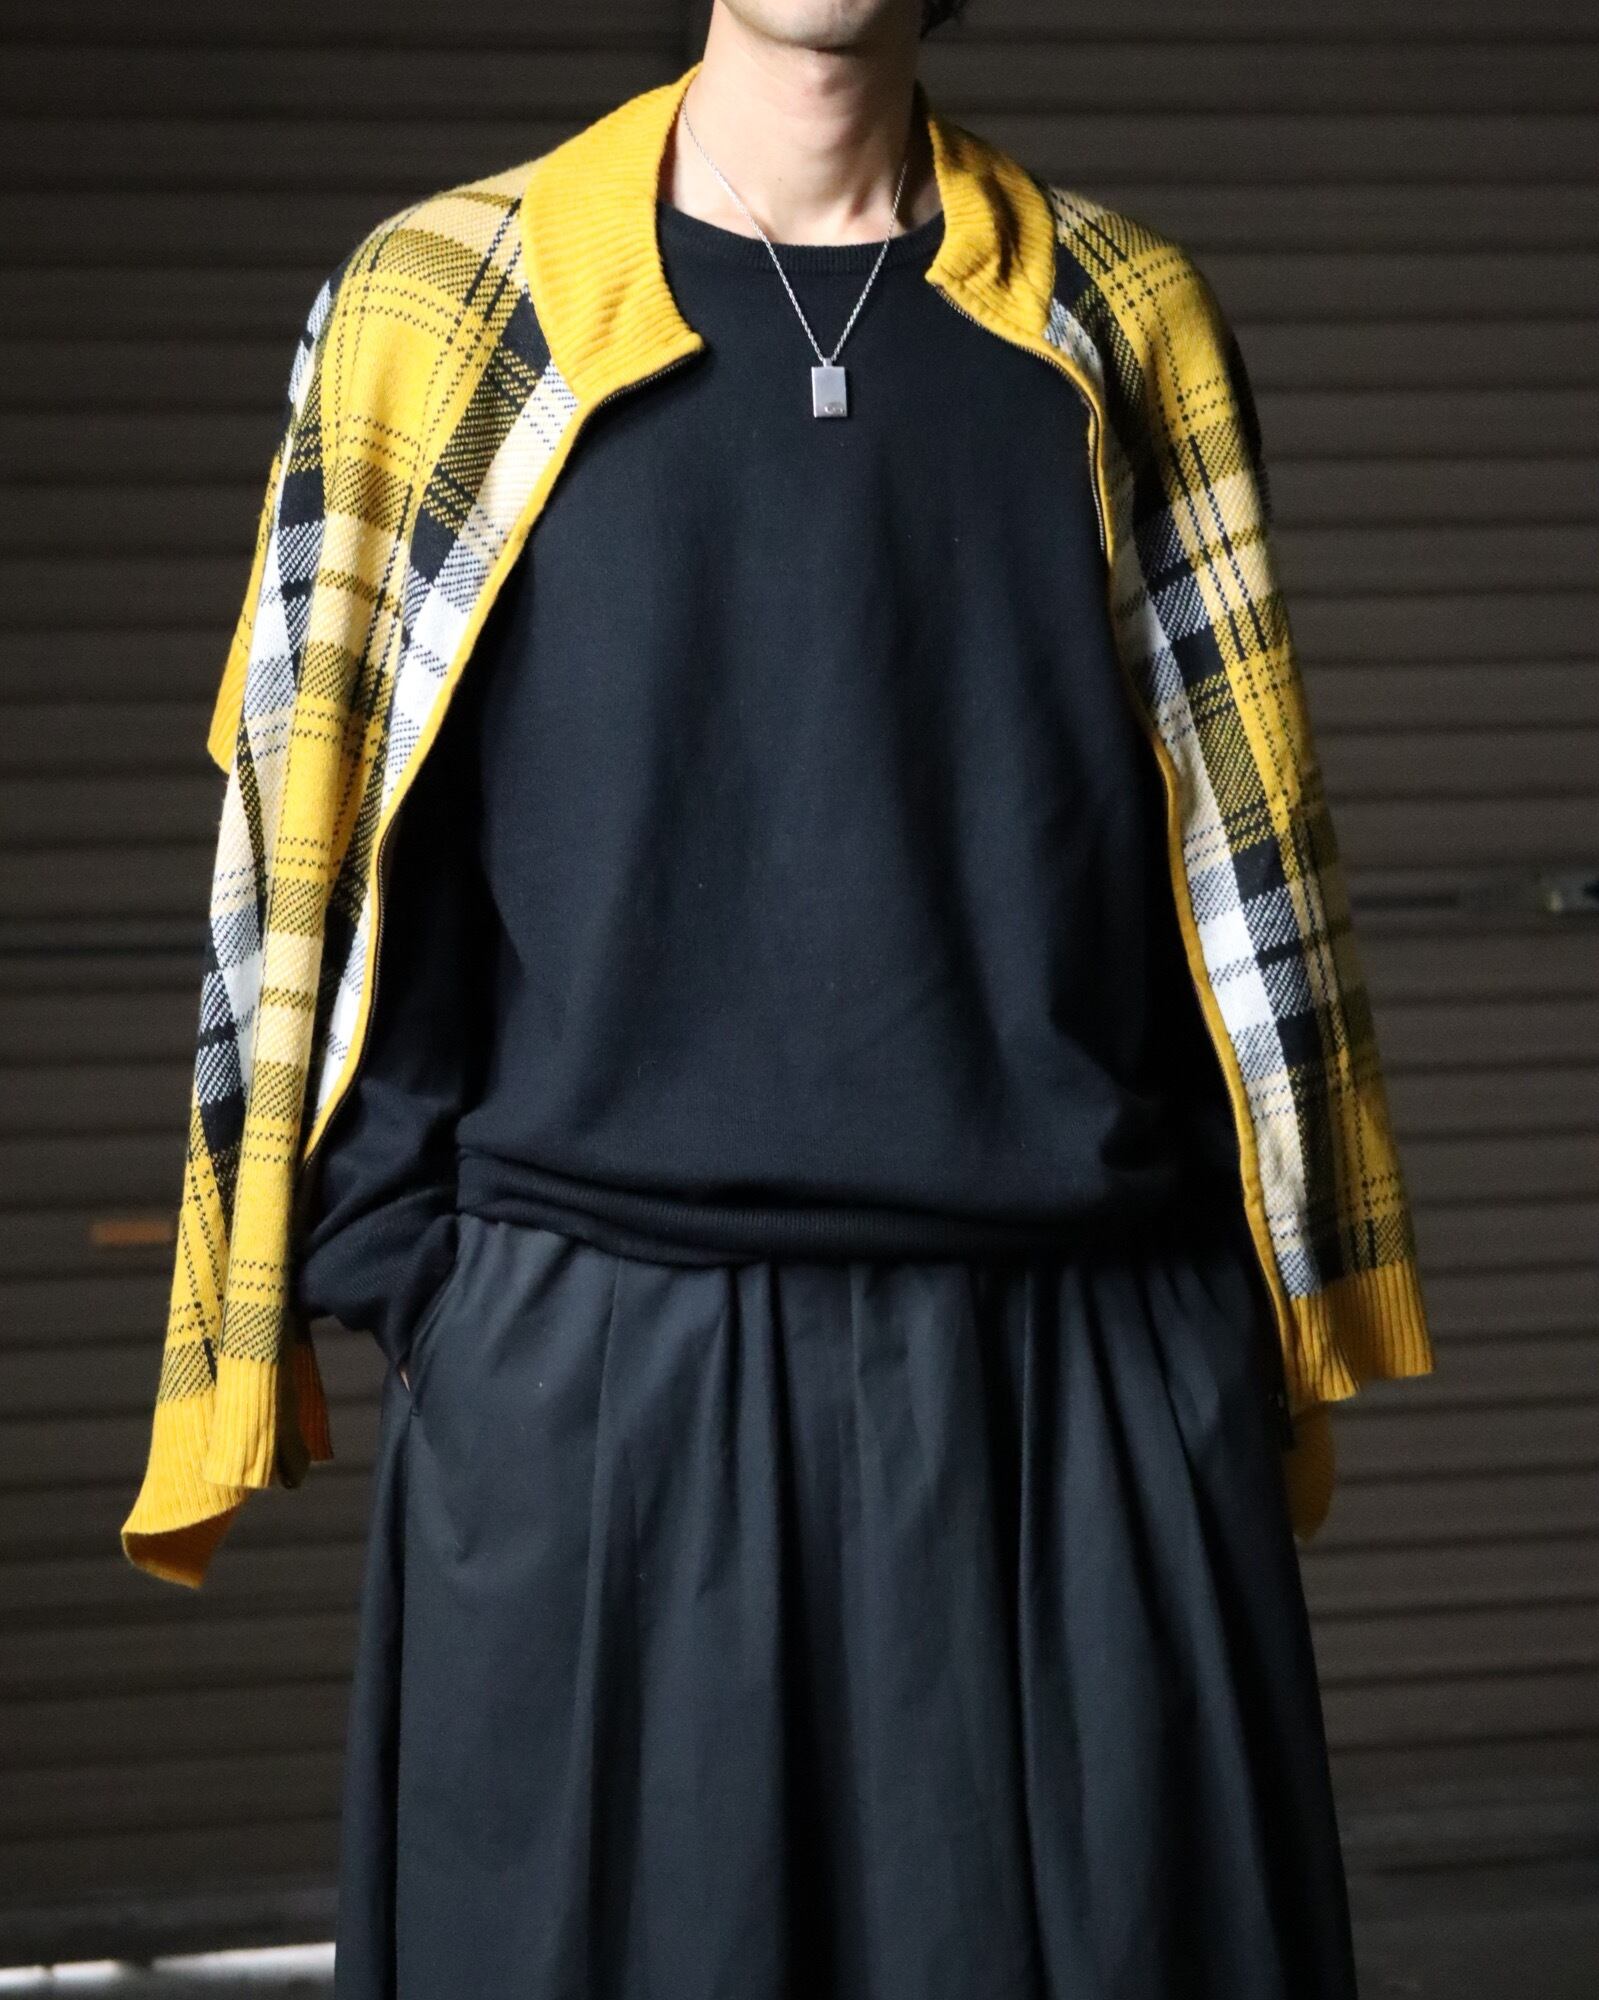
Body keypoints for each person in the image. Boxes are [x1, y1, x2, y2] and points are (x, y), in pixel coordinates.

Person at [121, 2, 1437, 1994]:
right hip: (593, 1377)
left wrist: (1196, 1335)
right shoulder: (436, 310)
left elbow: (1231, 851)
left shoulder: (1124, 319)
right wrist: (438, 1294)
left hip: (1068, 1371)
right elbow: (316, 820)